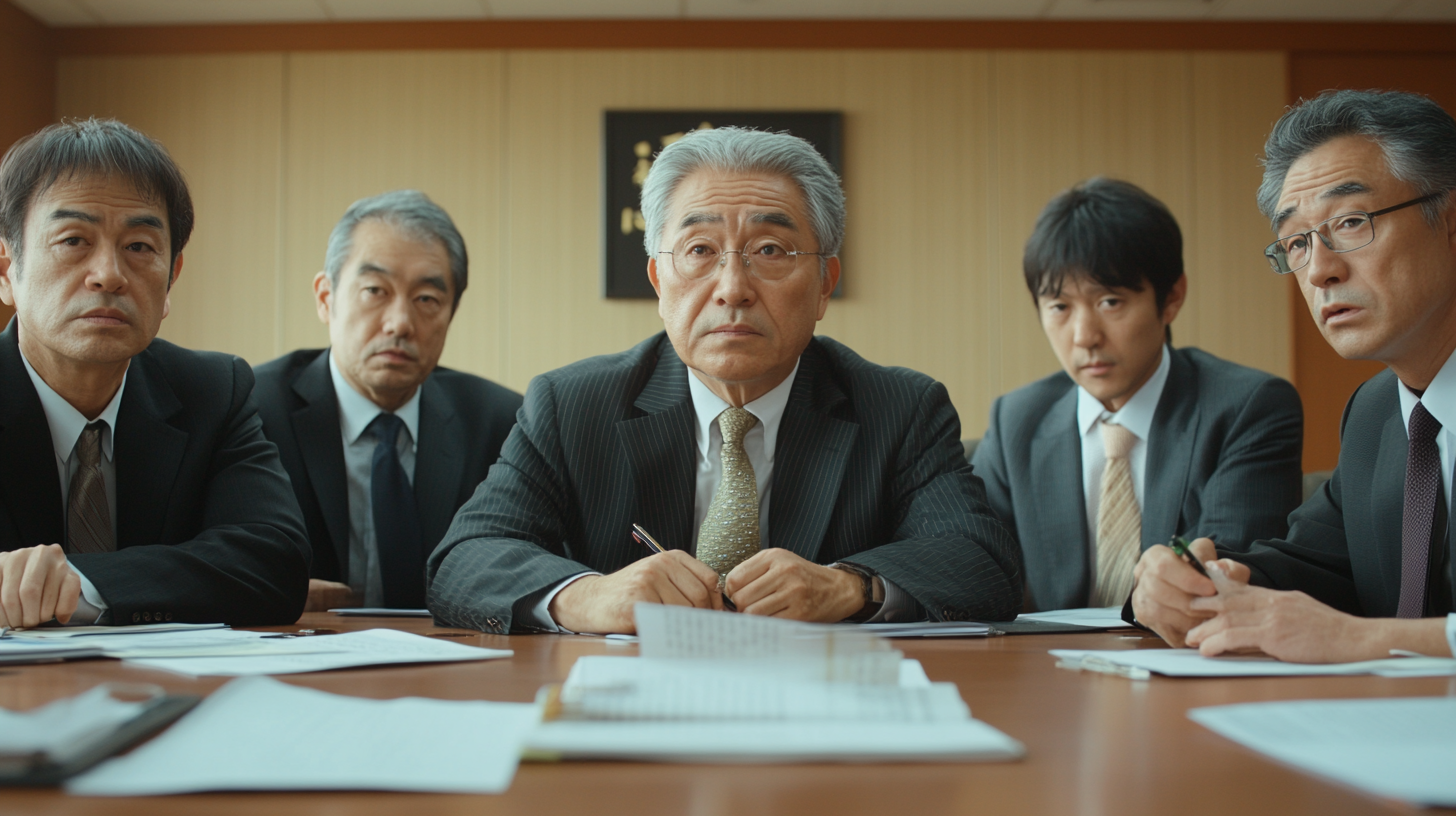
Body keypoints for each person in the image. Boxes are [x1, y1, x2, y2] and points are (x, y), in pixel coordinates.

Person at [427, 127, 1022, 634]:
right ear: (659, 281)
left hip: (824, 714)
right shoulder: (572, 405)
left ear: (824, 285)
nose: (732, 287)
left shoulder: (901, 408)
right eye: (700, 249)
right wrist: (588, 596)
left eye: (770, 249)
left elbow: (982, 563)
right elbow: (464, 560)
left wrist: (848, 587)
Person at [1133, 89, 1456, 661]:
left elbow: (1344, 629)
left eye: (1352, 222)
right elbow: (1312, 566)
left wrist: (1362, 639)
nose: (1321, 271)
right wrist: (1200, 585)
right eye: (1297, 243)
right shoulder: (1378, 411)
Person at [0, 118, 309, 628]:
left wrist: (73, 585)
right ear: (8, 271)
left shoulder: (213, 390)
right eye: (73, 239)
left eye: (140, 247)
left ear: (171, 279)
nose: (109, 274)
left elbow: (273, 563)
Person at [973, 178, 1303, 612]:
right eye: (1059, 307)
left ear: (1171, 299)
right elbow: (971, 563)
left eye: (1110, 301)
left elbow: (1227, 574)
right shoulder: (1016, 420)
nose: (1084, 336)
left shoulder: (1247, 407)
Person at [254, 191, 521, 612]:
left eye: (427, 300)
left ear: (451, 312)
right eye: (375, 290)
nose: (399, 323)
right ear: (326, 298)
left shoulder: (501, 423)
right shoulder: (253, 411)